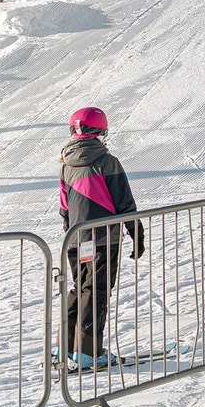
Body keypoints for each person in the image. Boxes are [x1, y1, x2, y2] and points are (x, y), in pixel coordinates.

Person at [58, 106, 145, 371]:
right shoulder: (107, 162)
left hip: (76, 239)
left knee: (79, 289)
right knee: (96, 293)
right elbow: (124, 202)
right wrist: (136, 233)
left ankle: (67, 347)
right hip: (104, 239)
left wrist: (73, 235)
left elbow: (64, 207)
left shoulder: (65, 164)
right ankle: (88, 353)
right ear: (100, 131)